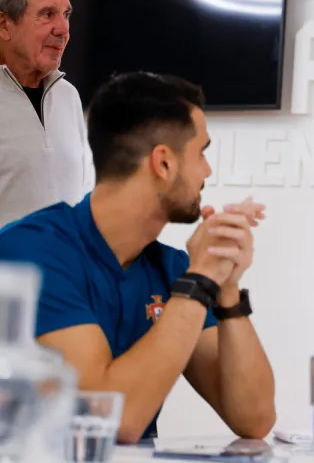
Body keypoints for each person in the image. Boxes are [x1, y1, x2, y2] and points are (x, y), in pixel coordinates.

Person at [0, 72, 276, 444]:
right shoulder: (30, 252)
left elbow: (255, 420)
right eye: (201, 152)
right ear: (163, 163)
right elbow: (113, 420)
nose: (207, 171)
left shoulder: (173, 269)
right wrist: (198, 283)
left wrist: (225, 287)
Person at [0, 0, 94, 228]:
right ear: (4, 25)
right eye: (47, 14)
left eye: (66, 14)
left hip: (65, 268)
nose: (63, 29)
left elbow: (80, 196)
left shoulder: (68, 96)